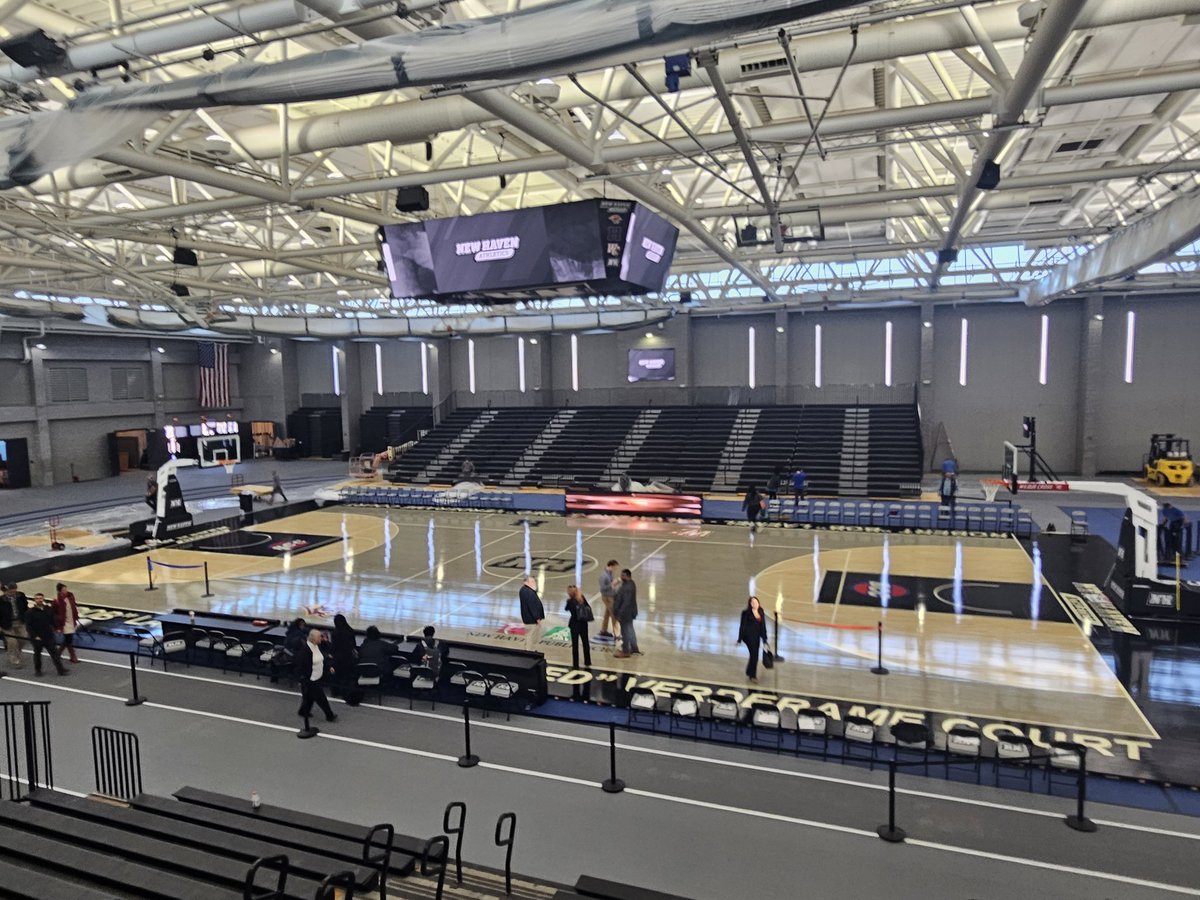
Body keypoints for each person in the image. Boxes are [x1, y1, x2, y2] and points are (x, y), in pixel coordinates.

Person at [297, 628, 337, 723]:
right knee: (321, 698)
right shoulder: (306, 650)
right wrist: (303, 679)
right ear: (314, 638)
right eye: (320, 636)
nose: (321, 638)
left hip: (317, 676)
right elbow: (303, 666)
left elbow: (321, 658)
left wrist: (328, 667)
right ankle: (329, 715)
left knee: (309, 697)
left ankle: (303, 711)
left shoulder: (316, 646)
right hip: (310, 679)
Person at [26, 594, 66, 677]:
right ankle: (38, 670)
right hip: (37, 637)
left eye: (41, 598)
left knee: (54, 653)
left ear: (43, 599)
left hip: (48, 636)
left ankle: (60, 670)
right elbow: (28, 626)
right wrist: (34, 636)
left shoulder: (48, 609)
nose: (39, 600)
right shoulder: (30, 612)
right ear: (34, 600)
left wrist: (57, 628)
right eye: (37, 598)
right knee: (37, 654)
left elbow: (53, 620)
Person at [736, 596, 770, 683]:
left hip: (757, 637)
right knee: (754, 655)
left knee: (754, 655)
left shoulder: (761, 611)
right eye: (753, 602)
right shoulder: (746, 613)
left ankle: (749, 670)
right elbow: (742, 626)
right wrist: (739, 639)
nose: (755, 604)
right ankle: (753, 676)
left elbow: (763, 626)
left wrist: (765, 639)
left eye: (756, 602)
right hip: (748, 637)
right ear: (750, 604)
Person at [612, 568, 640, 659]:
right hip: (628, 613)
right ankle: (634, 647)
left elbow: (626, 603)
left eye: (623, 575)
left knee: (625, 632)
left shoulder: (628, 587)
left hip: (625, 614)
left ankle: (626, 651)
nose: (621, 577)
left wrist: (620, 613)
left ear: (628, 576)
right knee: (630, 629)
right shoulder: (629, 584)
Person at [564, 585, 593, 669]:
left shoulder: (570, 601)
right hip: (583, 624)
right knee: (585, 643)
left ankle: (575, 664)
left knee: (575, 645)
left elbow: (566, 609)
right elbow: (588, 607)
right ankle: (587, 661)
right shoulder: (582, 598)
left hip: (574, 625)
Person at [1, 583, 28, 670]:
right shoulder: (1, 600)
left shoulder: (21, 596)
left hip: (20, 621)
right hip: (7, 624)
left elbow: (25, 607)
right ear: (6, 590)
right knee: (12, 641)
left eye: (14, 592)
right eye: (11, 592)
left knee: (24, 638)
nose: (13, 593)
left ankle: (16, 651)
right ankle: (13, 657)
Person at [330, 614, 358, 695]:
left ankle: (335, 692)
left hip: (337, 658)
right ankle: (345, 692)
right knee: (347, 676)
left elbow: (333, 646)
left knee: (336, 675)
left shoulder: (334, 633)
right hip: (348, 657)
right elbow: (353, 645)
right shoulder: (350, 631)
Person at [53, 582, 79, 664]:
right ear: (59, 591)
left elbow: (74, 607)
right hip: (64, 623)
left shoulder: (70, 596)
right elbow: (53, 613)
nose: (66, 591)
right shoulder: (56, 601)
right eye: (64, 590)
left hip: (71, 620)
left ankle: (57, 654)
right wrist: (58, 620)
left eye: (66, 589)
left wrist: (76, 616)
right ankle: (73, 656)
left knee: (67, 639)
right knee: (69, 639)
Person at [518, 575, 545, 652]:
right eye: (532, 581)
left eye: (534, 581)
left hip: (527, 618)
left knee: (529, 635)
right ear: (526, 582)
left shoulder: (523, 590)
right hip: (531, 619)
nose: (534, 583)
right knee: (531, 636)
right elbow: (532, 606)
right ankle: (530, 651)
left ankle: (529, 650)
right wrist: (537, 618)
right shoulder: (529, 592)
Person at [597, 559, 620, 640]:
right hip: (607, 597)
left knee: (607, 614)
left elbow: (611, 585)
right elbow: (603, 588)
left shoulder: (610, 574)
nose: (615, 569)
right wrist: (612, 584)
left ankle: (603, 630)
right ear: (611, 566)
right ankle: (616, 633)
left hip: (611, 596)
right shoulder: (604, 576)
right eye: (615, 568)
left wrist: (615, 583)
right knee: (614, 615)